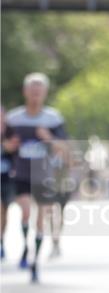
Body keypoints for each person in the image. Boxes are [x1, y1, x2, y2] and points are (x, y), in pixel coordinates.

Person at [7, 73, 69, 282]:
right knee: (25, 214)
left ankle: (35, 261)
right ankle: (25, 247)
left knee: (41, 219)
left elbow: (65, 147)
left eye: (39, 91)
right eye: (32, 90)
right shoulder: (13, 119)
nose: (35, 95)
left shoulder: (53, 119)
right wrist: (8, 146)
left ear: (44, 93)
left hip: (44, 174)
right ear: (25, 92)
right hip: (21, 173)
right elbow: (5, 145)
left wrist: (49, 138)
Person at [1, 105, 19, 260]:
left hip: (7, 177)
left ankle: (1, 240)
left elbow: (16, 148)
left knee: (4, 213)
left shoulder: (11, 132)